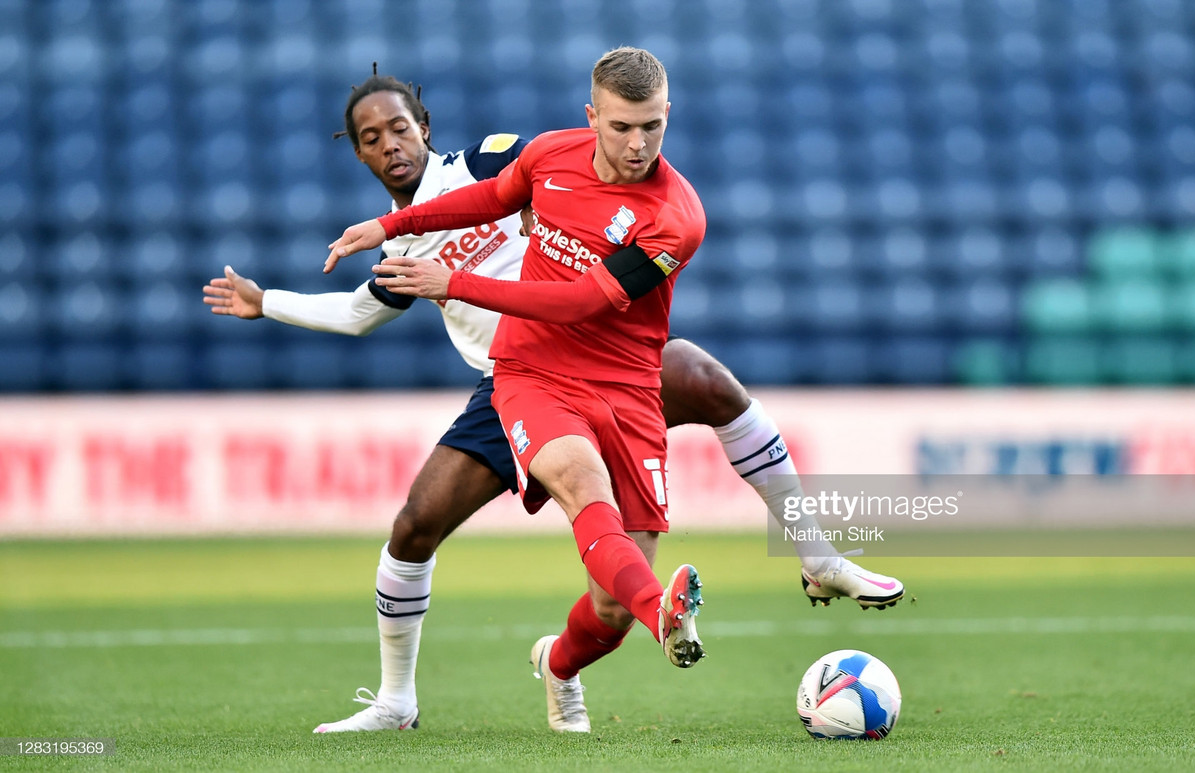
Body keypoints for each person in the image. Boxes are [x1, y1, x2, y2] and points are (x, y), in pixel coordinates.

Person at [210, 63, 902, 734]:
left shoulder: (492, 160)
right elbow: (361, 312)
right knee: (416, 524)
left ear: (423, 125)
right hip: (517, 378)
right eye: (371, 137)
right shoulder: (409, 243)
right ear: (358, 153)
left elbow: (547, 240)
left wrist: (451, 276)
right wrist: (266, 300)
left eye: (399, 126)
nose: (390, 143)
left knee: (700, 391)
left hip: (607, 358)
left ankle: (813, 555)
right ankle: (396, 699)